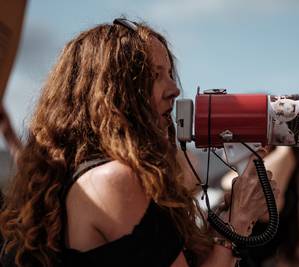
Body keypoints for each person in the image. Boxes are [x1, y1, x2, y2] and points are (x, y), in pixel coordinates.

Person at [0, 18, 279, 267]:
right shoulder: (113, 181)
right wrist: (240, 220)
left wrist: (224, 225)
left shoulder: (78, 174)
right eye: (155, 75)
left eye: (170, 73)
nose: (175, 89)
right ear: (114, 94)